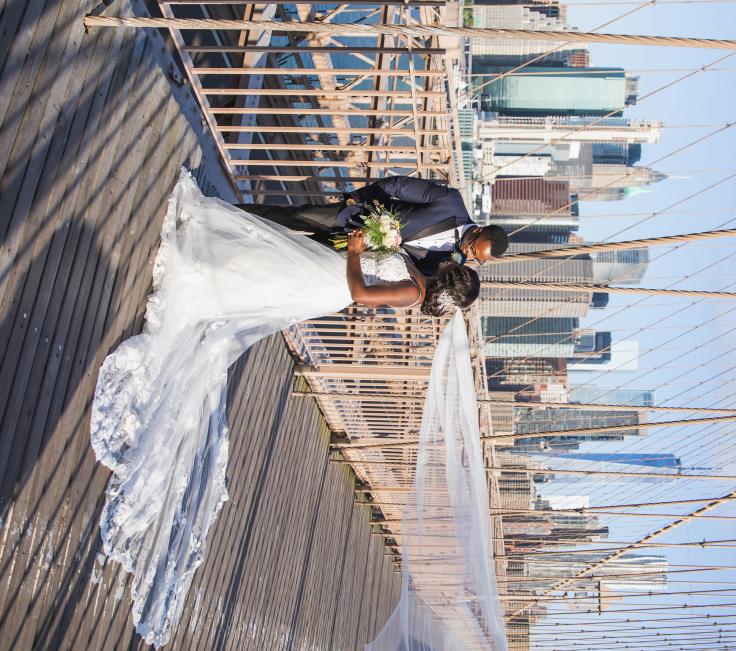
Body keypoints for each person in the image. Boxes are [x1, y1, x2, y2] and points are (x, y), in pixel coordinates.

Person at [89, 170, 479, 647]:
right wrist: (373, 240)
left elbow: (360, 294)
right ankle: (211, 255)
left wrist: (356, 251)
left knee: (270, 276)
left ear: (446, 281)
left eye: (454, 269)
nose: (450, 263)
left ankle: (204, 271)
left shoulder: (413, 290)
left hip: (333, 280)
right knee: (269, 263)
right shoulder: (417, 272)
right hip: (330, 267)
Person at [237, 175, 509, 277]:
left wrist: (448, 266)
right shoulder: (451, 202)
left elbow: (420, 274)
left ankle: (240, 250)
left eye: (476, 259)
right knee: (292, 216)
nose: (469, 255)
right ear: (477, 230)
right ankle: (231, 214)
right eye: (474, 249)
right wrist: (358, 197)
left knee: (299, 251)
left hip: (357, 252)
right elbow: (398, 186)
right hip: (355, 217)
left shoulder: (451, 261)